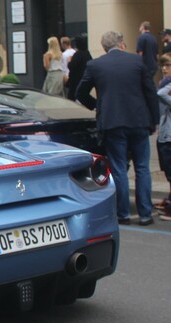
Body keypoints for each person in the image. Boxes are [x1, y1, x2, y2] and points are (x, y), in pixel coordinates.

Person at [76, 30, 158, 226]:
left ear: (104, 47)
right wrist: (153, 120)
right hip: (139, 121)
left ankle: (123, 214)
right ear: (121, 43)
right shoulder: (137, 62)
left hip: (112, 122)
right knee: (142, 168)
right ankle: (145, 214)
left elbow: (80, 92)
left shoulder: (96, 65)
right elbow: (150, 93)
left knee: (119, 168)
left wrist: (97, 105)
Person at [154, 54, 171, 220]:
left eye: (168, 66)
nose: (164, 69)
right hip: (165, 136)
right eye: (163, 66)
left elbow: (161, 93)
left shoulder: (167, 87)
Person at [66, 36, 92, 101]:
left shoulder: (77, 54)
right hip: (84, 79)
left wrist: (69, 61)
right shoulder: (87, 54)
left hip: (75, 80)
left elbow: (71, 66)